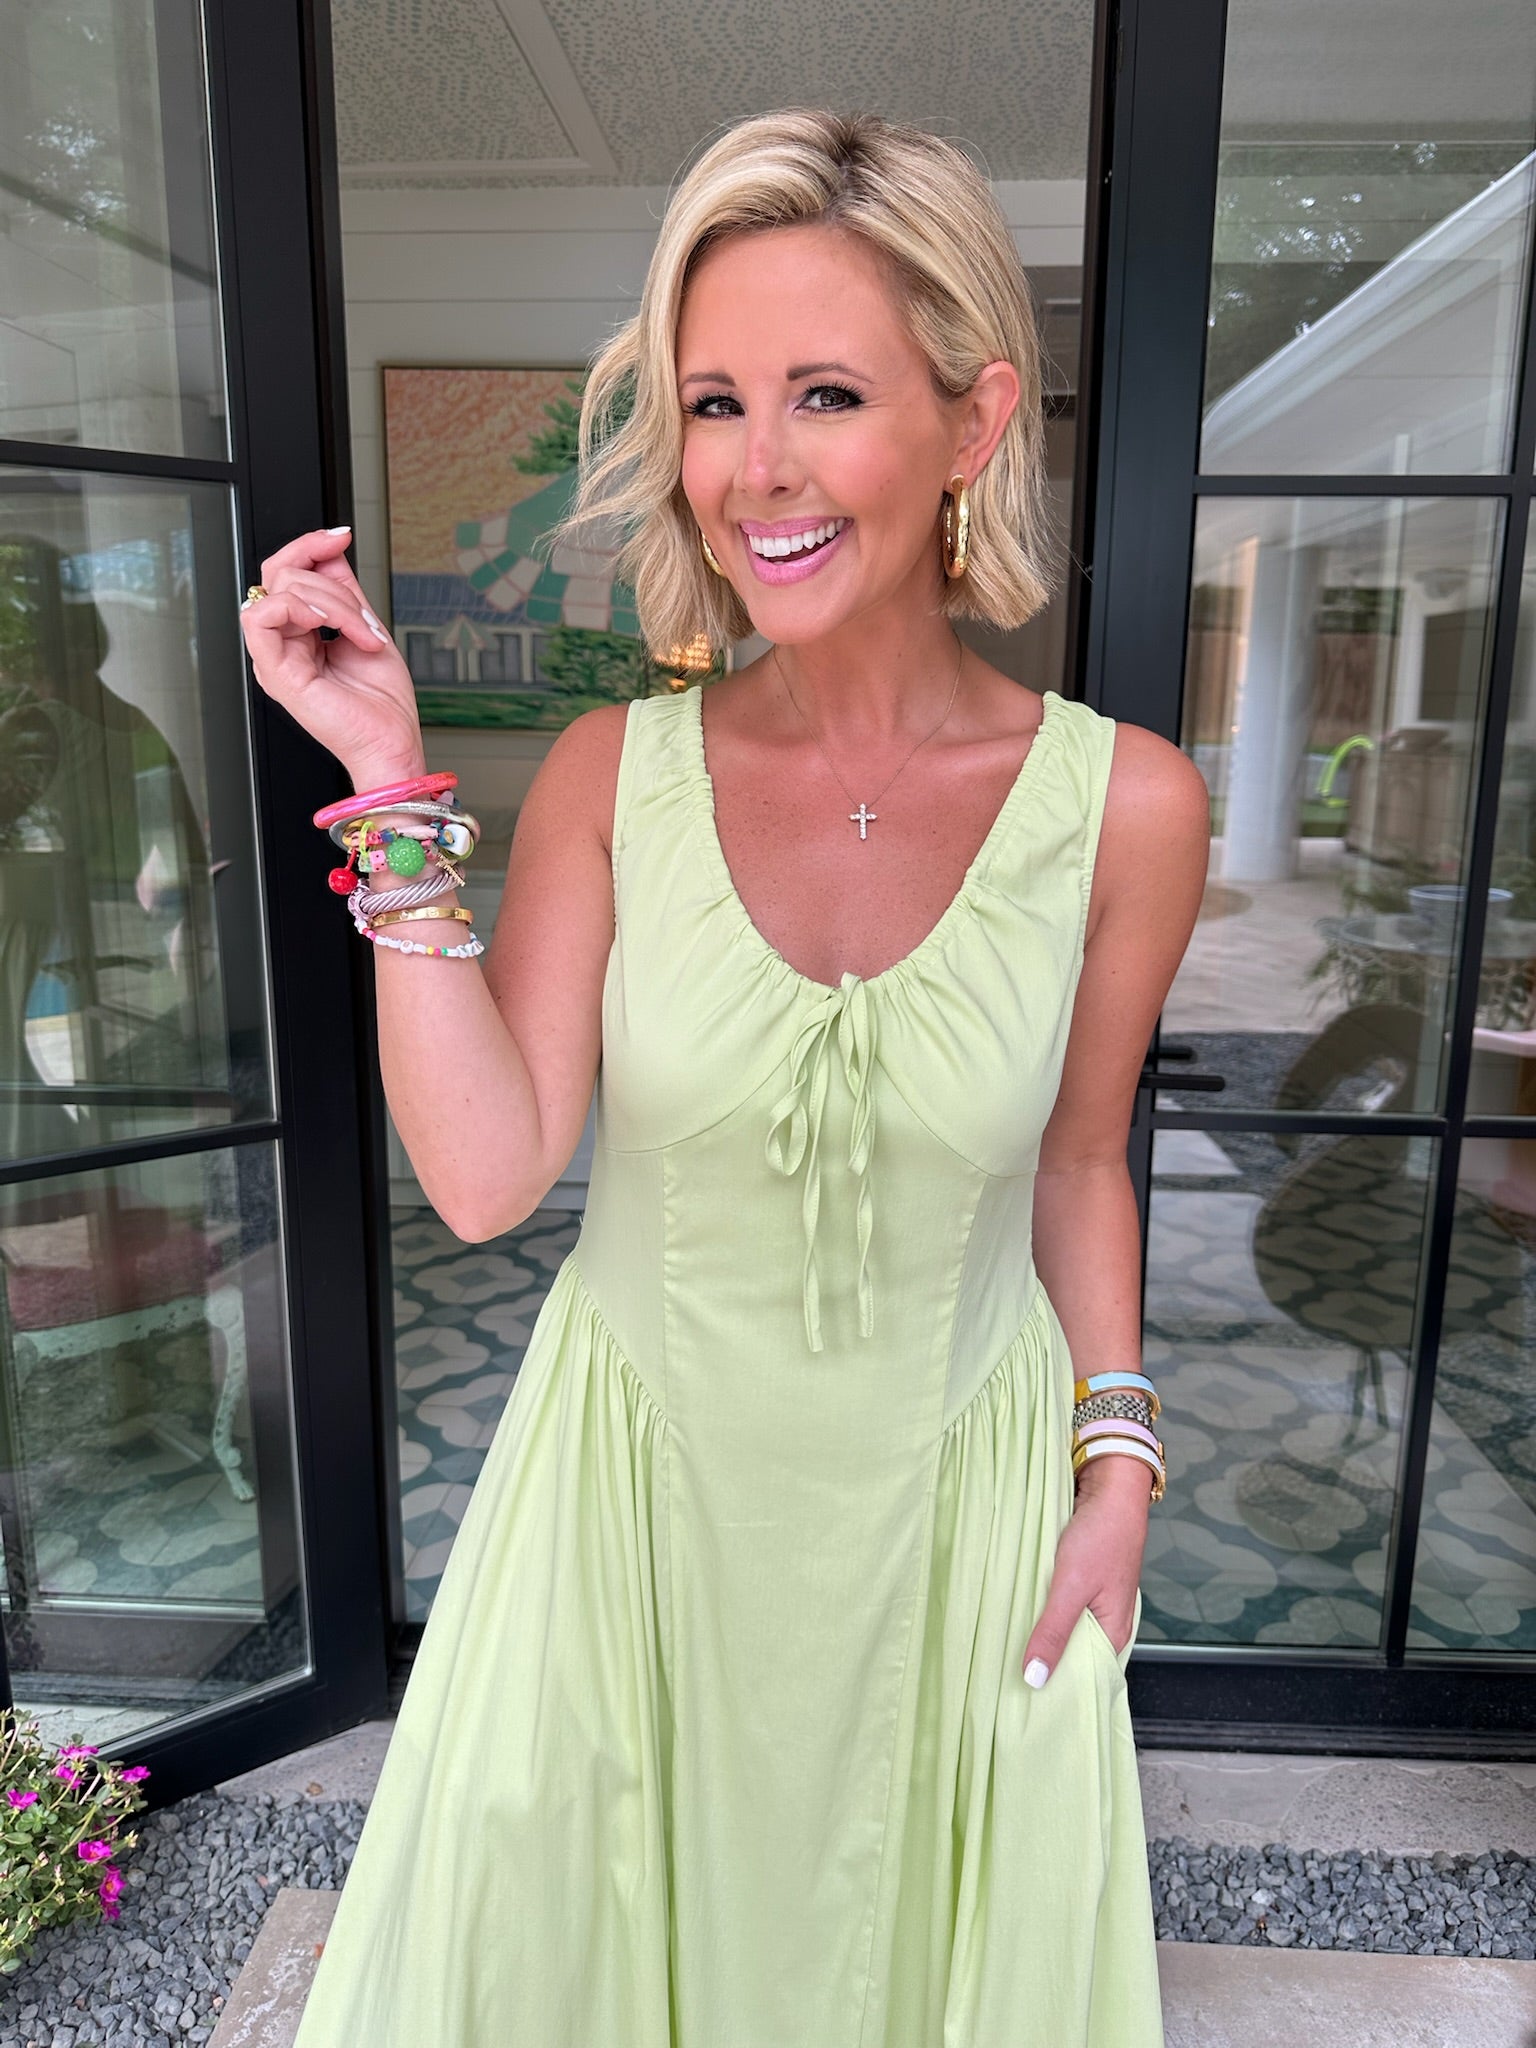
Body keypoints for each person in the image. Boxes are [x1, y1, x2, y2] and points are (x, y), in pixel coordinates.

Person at [243, 108, 1208, 2048]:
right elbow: (487, 1176)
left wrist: (1118, 1473)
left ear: (974, 418)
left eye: (825, 394)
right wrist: (387, 785)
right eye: (713, 403)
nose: (756, 467)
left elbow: (1080, 1165)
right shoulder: (614, 777)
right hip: (631, 1523)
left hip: (954, 1524)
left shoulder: (1131, 807)